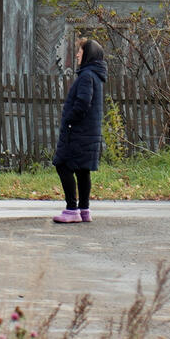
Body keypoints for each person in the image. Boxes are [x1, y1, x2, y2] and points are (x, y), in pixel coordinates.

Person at [51, 38, 107, 223]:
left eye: (80, 52)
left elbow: (83, 102)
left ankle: (71, 210)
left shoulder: (86, 76)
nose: (76, 55)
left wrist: (69, 120)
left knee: (62, 164)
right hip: (89, 132)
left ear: (88, 55)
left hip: (78, 131)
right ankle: (84, 210)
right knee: (83, 170)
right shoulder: (95, 76)